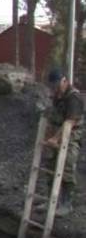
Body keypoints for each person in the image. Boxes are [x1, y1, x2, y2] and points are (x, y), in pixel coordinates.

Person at [42, 68, 83, 216]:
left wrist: (55, 139)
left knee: (66, 166)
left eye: (57, 84)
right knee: (50, 166)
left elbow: (69, 122)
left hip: (71, 136)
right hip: (57, 133)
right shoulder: (57, 97)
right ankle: (52, 200)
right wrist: (48, 136)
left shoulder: (74, 98)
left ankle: (66, 203)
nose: (55, 88)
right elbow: (52, 117)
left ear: (64, 80)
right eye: (52, 85)